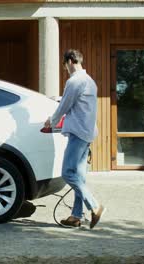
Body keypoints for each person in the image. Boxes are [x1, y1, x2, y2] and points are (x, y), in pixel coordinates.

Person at [45, 49, 106, 229]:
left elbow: (64, 105)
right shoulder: (90, 81)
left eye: (65, 66)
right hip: (86, 133)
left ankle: (94, 205)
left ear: (70, 61)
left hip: (78, 133)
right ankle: (76, 216)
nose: (66, 69)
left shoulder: (75, 81)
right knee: (79, 176)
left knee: (68, 173)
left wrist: (51, 121)